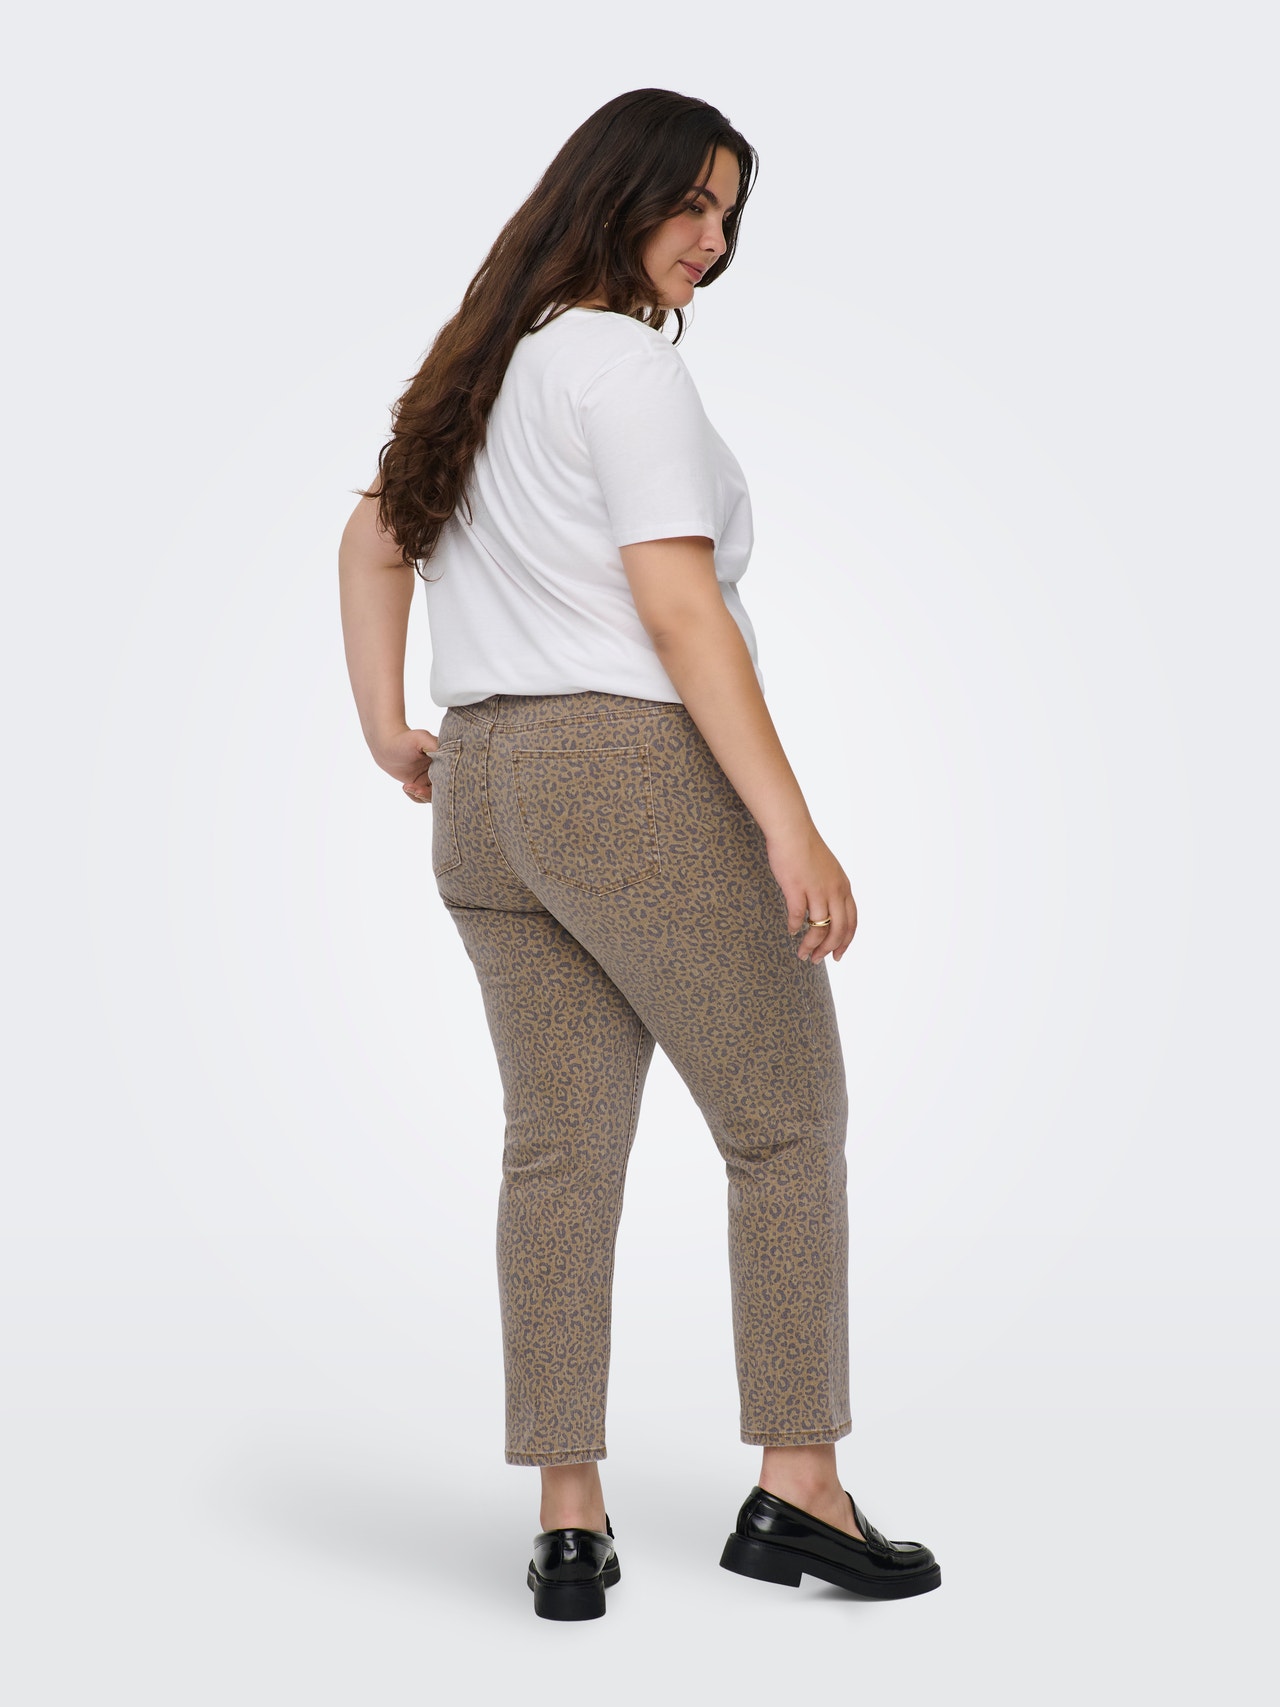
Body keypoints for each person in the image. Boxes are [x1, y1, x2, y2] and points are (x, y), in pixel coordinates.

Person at [338, 87, 940, 1621]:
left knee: (558, 1145)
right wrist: (790, 824)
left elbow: (371, 536)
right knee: (785, 1122)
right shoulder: (621, 365)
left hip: (488, 793)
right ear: (617, 194)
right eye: (693, 202)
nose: (713, 239)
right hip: (627, 778)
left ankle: (569, 1518)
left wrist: (390, 725)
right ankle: (800, 1489)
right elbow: (676, 609)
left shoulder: (485, 370)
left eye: (730, 214)